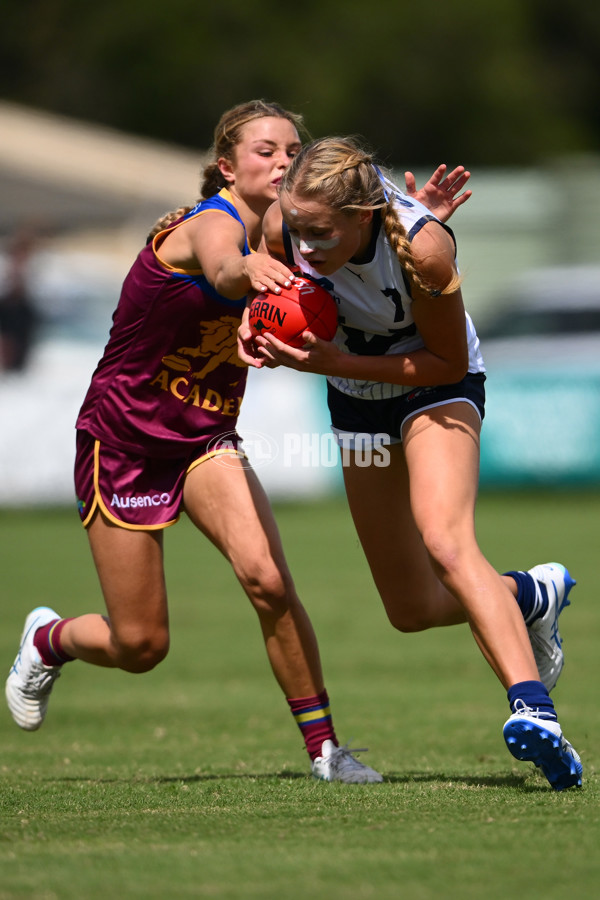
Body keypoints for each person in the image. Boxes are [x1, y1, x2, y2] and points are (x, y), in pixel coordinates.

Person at [5, 101, 471, 784]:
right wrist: (249, 272)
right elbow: (224, 268)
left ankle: (325, 752)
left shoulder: (299, 236)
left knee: (268, 580)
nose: (283, 161)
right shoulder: (212, 224)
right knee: (141, 644)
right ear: (226, 166)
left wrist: (407, 225)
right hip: (124, 437)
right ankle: (49, 639)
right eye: (265, 151)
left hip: (205, 438)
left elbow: (360, 258)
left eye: (292, 150)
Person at [238, 135, 582, 791]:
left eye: (321, 232)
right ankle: (530, 594)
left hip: (435, 387)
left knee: (446, 541)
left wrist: (334, 360)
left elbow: (445, 363)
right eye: (298, 228)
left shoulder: (425, 251)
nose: (305, 245)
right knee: (411, 608)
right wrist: (255, 324)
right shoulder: (285, 223)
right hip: (356, 400)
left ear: (364, 215)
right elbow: (270, 283)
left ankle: (534, 711)